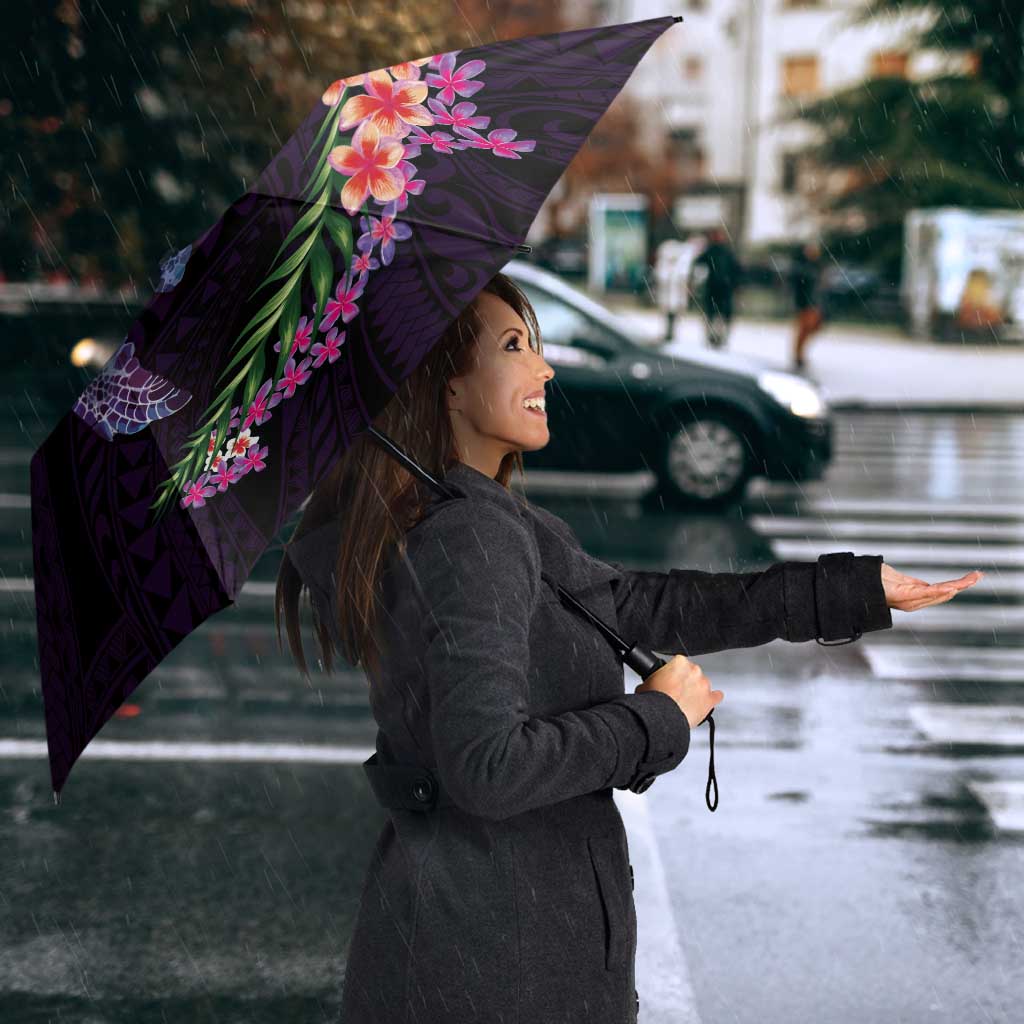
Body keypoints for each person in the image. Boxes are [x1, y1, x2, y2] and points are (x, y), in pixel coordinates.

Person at [274, 271, 944, 1024]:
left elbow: (640, 604)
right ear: (447, 388)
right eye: (514, 346)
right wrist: (656, 720)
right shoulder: (471, 536)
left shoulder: (467, 520)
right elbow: (487, 768)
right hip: (500, 962)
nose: (545, 367)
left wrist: (852, 590)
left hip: (467, 941)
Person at [692, 226, 742, 349]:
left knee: (720, 315)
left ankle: (719, 337)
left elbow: (736, 270)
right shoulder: (712, 251)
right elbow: (698, 264)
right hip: (715, 288)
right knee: (713, 314)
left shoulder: (725, 252)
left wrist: (735, 284)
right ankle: (713, 337)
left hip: (723, 288)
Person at [790, 239, 826, 371]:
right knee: (804, 329)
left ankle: (800, 354)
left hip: (814, 303)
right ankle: (798, 355)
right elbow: (799, 286)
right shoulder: (802, 267)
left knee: (812, 328)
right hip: (805, 303)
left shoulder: (817, 266)